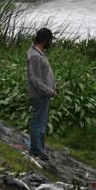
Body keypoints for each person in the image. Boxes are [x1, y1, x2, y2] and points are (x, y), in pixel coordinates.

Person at [26, 27, 57, 161]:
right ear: (45, 40)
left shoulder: (38, 54)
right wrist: (48, 90)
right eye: (50, 40)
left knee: (41, 122)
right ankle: (37, 150)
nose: (51, 43)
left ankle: (40, 148)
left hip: (43, 95)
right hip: (40, 95)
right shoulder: (35, 56)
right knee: (38, 122)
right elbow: (35, 79)